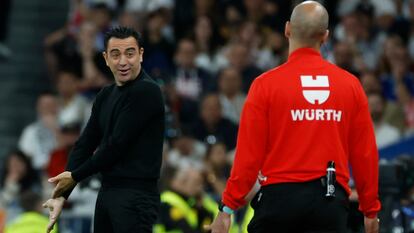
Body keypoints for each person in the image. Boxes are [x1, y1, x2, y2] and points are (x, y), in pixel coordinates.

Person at [207, 1, 381, 233]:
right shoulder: (350, 86)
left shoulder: (265, 86)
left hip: (279, 203)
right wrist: (370, 210)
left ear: (287, 29)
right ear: (326, 36)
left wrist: (227, 208)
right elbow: (365, 154)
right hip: (329, 205)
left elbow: (248, 155)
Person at [42, 26, 165, 233]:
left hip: (135, 195)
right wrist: (62, 195)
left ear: (141, 55)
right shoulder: (106, 94)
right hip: (107, 193)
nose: (123, 61)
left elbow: (115, 146)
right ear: (106, 59)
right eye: (116, 55)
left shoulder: (147, 91)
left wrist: (76, 176)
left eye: (130, 53)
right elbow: (85, 143)